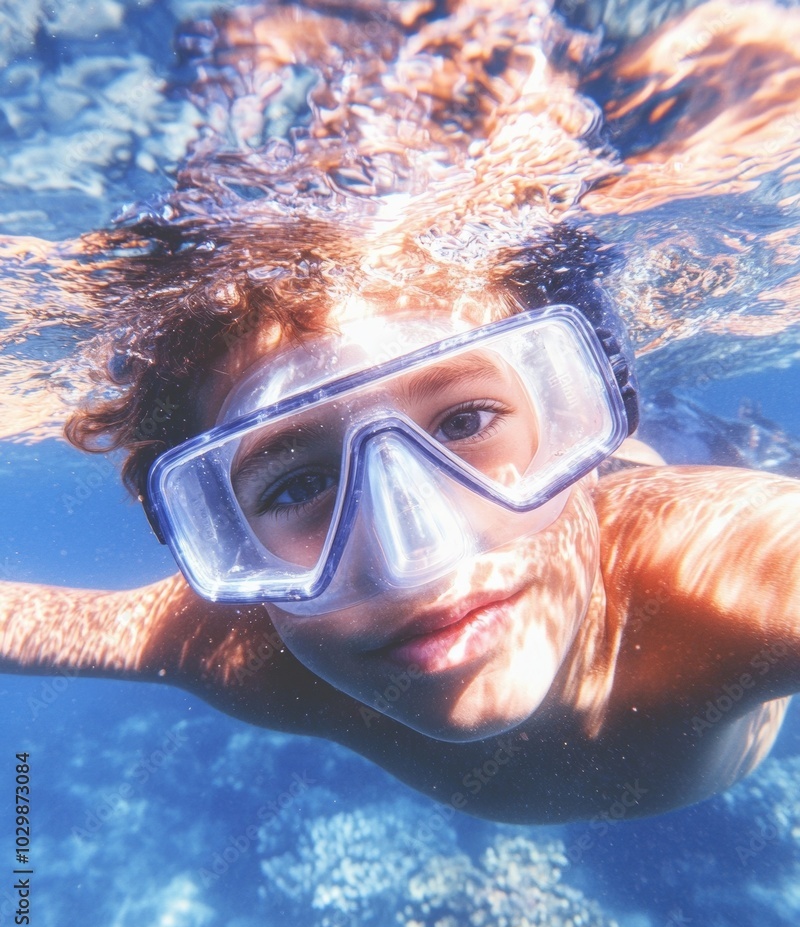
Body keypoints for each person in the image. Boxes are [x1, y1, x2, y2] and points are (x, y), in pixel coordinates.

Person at [1, 0, 799, 825]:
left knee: (711, 439)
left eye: (463, 421)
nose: (418, 556)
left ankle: (693, 430)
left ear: (567, 410)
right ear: (229, 543)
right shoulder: (250, 658)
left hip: (661, 478)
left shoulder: (726, 578)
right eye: (296, 485)